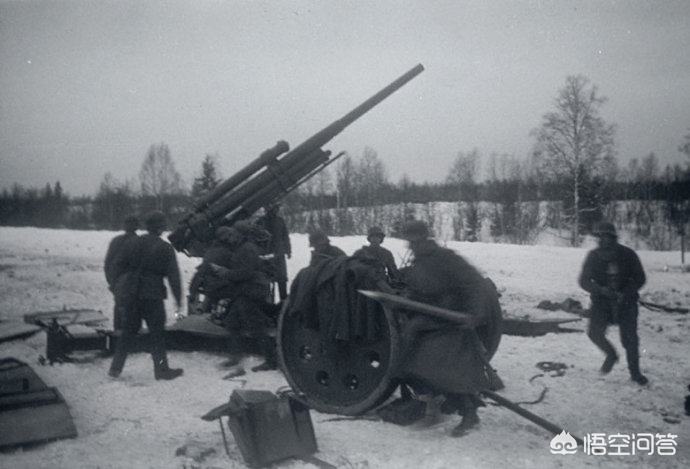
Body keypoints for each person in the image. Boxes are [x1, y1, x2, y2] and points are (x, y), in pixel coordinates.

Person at [396, 219, 494, 437]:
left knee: (444, 370)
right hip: (427, 319)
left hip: (448, 322)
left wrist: (474, 314)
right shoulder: (419, 261)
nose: (410, 245)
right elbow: (419, 288)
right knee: (414, 364)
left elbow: (474, 282)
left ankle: (469, 414)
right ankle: (439, 406)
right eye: (408, 240)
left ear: (423, 238)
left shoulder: (445, 258)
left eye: (413, 240)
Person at [108, 210, 184, 381]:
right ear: (161, 228)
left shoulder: (131, 243)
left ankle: (115, 369)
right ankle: (162, 370)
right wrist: (178, 300)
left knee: (127, 332)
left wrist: (116, 287)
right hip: (153, 295)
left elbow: (116, 266)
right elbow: (174, 277)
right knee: (157, 333)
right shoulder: (165, 248)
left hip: (132, 294)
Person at [579, 221, 648, 385]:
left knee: (630, 340)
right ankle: (611, 354)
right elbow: (583, 280)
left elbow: (640, 278)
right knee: (594, 333)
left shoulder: (628, 255)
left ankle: (635, 373)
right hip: (602, 303)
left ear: (614, 238)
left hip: (626, 303)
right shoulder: (593, 256)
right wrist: (600, 290)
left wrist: (625, 292)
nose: (604, 240)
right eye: (600, 237)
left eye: (608, 237)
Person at [209, 222, 277, 372]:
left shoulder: (247, 249)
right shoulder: (243, 248)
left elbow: (247, 272)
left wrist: (225, 273)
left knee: (256, 326)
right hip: (246, 291)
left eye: (233, 234)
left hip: (253, 291)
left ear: (241, 235)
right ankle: (235, 356)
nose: (230, 237)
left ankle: (272, 360)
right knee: (232, 323)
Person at [104, 215, 139, 331]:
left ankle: (118, 340)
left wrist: (113, 283)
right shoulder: (139, 241)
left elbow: (108, 265)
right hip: (133, 285)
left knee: (120, 313)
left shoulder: (116, 241)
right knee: (133, 315)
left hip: (120, 284)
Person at [257, 204, 292, 300]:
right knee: (267, 281)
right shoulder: (261, 221)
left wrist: (288, 250)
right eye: (274, 208)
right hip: (266, 255)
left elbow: (285, 237)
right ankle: (268, 303)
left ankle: (283, 303)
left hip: (278, 254)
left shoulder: (280, 221)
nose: (276, 210)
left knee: (282, 280)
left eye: (276, 208)